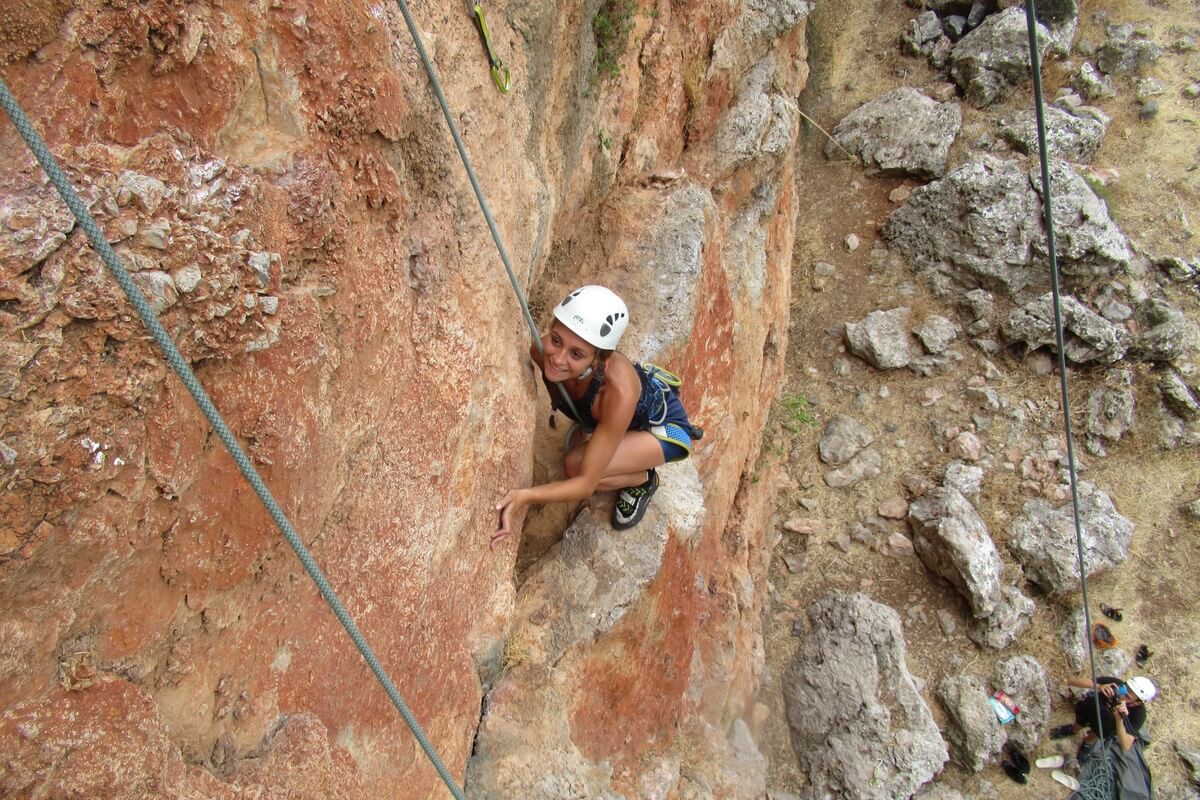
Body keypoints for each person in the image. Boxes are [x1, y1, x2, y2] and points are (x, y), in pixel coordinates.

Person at [492, 285, 696, 548]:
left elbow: (585, 484)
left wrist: (524, 496)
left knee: (574, 466)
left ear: (599, 359)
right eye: (556, 340)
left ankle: (644, 479)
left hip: (662, 430)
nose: (557, 359)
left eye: (576, 354)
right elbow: (555, 378)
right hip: (620, 419)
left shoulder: (618, 392)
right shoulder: (542, 353)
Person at [1051, 674, 1157, 752]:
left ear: (1137, 702)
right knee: (1083, 717)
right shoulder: (1115, 684)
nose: (1121, 695)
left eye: (1127, 697)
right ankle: (1073, 730)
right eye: (1123, 689)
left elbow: (1126, 746)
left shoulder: (1138, 714)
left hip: (1106, 726)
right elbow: (1070, 680)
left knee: (1099, 732)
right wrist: (1098, 686)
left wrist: (1119, 720)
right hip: (1091, 710)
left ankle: (1087, 743)